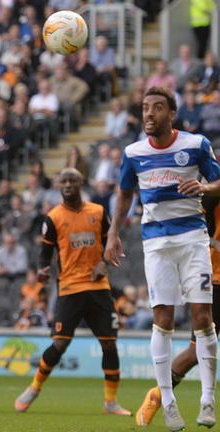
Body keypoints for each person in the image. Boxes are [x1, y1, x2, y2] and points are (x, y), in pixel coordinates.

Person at [105, 86, 220, 431]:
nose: (149, 114)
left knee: (202, 318)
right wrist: (112, 234)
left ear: (171, 114)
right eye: (145, 108)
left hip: (192, 239)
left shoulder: (196, 145)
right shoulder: (133, 153)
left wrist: (205, 188)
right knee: (163, 320)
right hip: (156, 243)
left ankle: (207, 399)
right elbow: (124, 194)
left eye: (157, 108)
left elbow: (218, 182)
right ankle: (167, 402)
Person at [14, 168, 130, 416]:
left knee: (109, 345)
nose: (67, 184)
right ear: (58, 185)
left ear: (80, 183)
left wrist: (103, 263)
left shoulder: (98, 212)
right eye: (63, 181)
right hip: (69, 288)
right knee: (60, 344)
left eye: (72, 180)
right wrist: (43, 271)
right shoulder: (53, 218)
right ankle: (34, 388)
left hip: (98, 287)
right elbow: (44, 256)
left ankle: (110, 403)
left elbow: (111, 244)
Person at [133, 191, 220, 426]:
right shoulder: (212, 194)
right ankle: (158, 395)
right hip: (216, 278)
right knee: (195, 352)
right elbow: (194, 231)